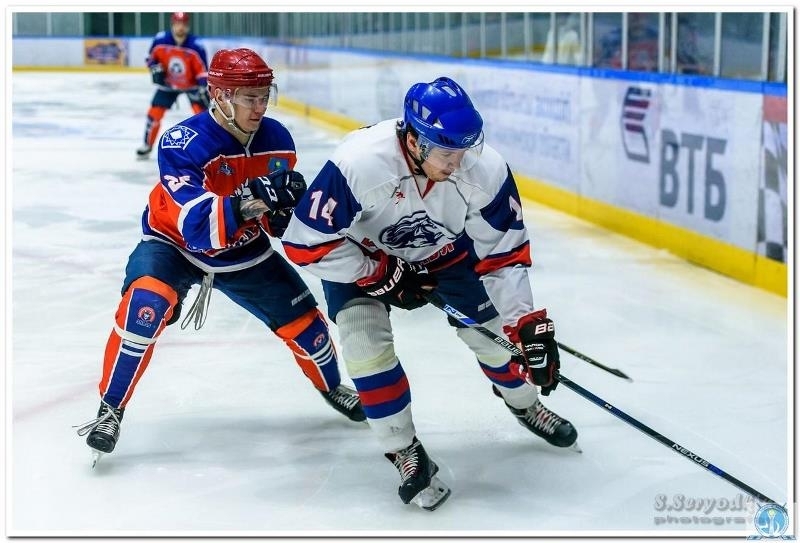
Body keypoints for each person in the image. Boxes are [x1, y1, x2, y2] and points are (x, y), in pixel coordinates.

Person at [281, 77, 579, 509]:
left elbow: (504, 253)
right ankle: (403, 449)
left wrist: (524, 322)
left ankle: (525, 404)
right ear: (413, 141)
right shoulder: (358, 163)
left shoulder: (485, 168)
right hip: (362, 258)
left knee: (494, 337)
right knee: (365, 348)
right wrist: (377, 272)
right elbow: (304, 244)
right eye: (445, 152)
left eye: (464, 150)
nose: (457, 163)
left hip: (446, 254)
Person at [75, 48, 365, 465]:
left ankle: (332, 386)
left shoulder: (278, 140)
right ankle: (110, 409)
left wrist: (286, 211)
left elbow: (275, 223)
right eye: (250, 98)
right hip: (172, 245)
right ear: (220, 95)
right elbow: (196, 227)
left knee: (309, 329)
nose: (260, 107)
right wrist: (252, 200)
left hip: (243, 251)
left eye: (265, 96)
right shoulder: (182, 142)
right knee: (144, 307)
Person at [136, 12, 209, 159]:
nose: (180, 27)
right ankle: (147, 145)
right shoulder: (160, 40)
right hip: (168, 84)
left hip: (191, 85)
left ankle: (209, 148)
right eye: (177, 24)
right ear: (173, 24)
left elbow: (203, 70)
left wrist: (202, 86)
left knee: (204, 117)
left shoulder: (196, 45)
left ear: (187, 26)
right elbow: (150, 58)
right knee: (154, 114)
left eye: (183, 24)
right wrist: (154, 66)